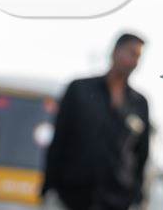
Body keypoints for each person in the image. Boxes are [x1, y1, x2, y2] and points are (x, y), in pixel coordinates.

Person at [42, 33, 151, 210]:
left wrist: (137, 197)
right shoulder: (79, 90)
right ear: (115, 52)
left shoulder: (139, 103)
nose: (133, 61)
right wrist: (48, 188)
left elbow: (142, 155)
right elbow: (59, 140)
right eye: (131, 53)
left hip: (116, 200)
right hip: (70, 197)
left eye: (138, 57)